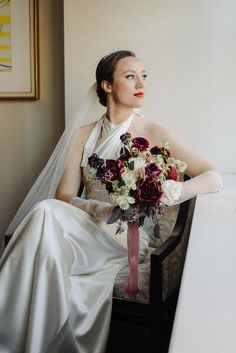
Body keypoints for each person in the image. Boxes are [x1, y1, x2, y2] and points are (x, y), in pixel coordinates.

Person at [0, 50, 223, 353]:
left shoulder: (153, 131)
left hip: (125, 236)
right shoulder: (82, 134)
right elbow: (63, 195)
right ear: (107, 85)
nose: (140, 83)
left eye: (143, 76)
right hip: (87, 226)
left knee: (43, 217)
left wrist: (173, 191)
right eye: (130, 76)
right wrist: (98, 208)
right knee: (44, 214)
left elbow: (213, 176)